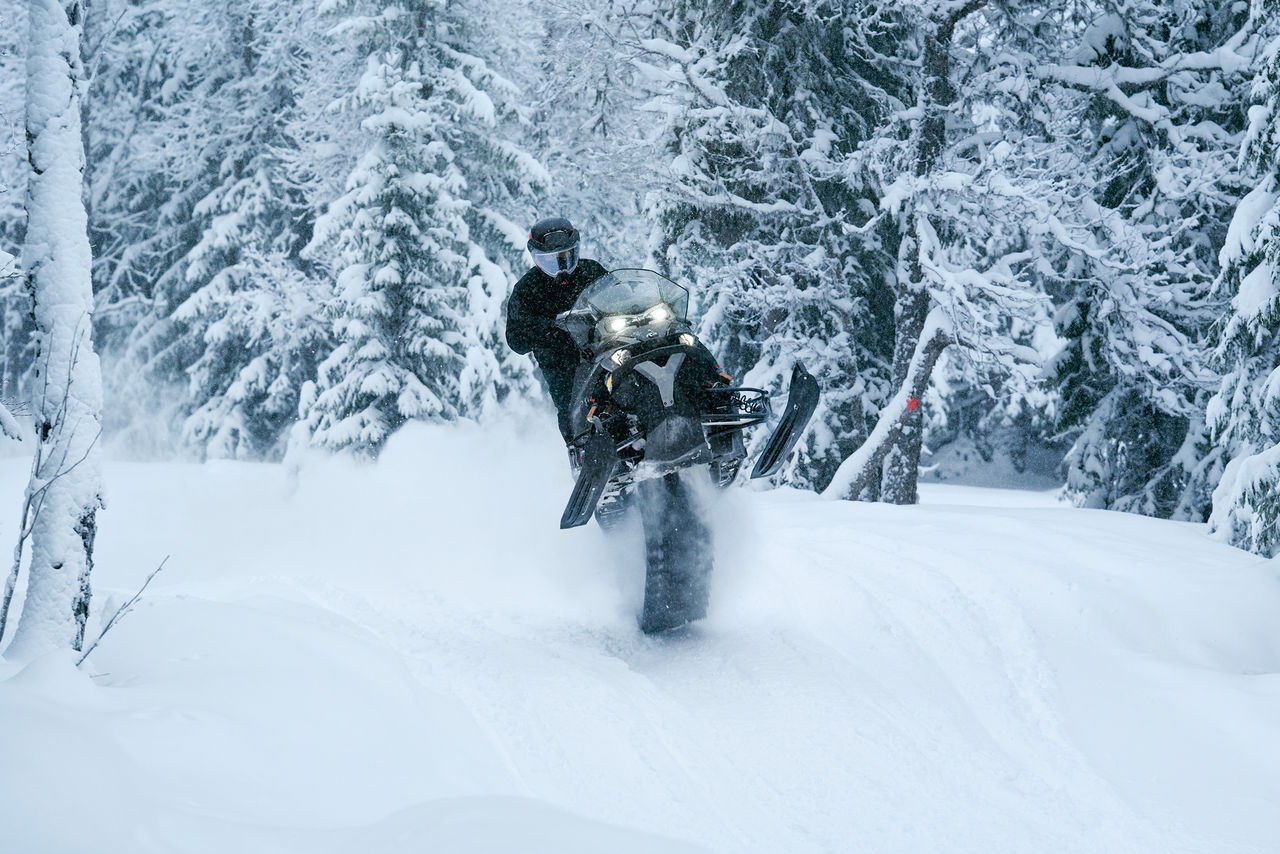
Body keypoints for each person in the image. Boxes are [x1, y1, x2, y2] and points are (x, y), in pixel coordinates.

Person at [505, 217, 608, 442]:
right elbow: (515, 339)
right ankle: (580, 451)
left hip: (603, 347)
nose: (561, 266)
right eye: (552, 261)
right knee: (571, 406)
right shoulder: (526, 289)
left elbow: (618, 297)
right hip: (561, 361)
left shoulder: (591, 271)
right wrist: (547, 330)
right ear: (537, 259)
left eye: (566, 256)